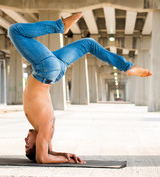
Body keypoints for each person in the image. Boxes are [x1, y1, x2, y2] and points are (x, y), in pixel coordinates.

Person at [8, 13, 152, 164]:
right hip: (45, 70)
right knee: (15, 31)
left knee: (88, 44)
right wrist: (65, 160)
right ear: (38, 143)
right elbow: (43, 158)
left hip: (54, 71)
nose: (25, 139)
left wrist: (64, 154)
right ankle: (59, 26)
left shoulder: (44, 131)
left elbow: (49, 152)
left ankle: (128, 67)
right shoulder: (45, 126)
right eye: (27, 144)